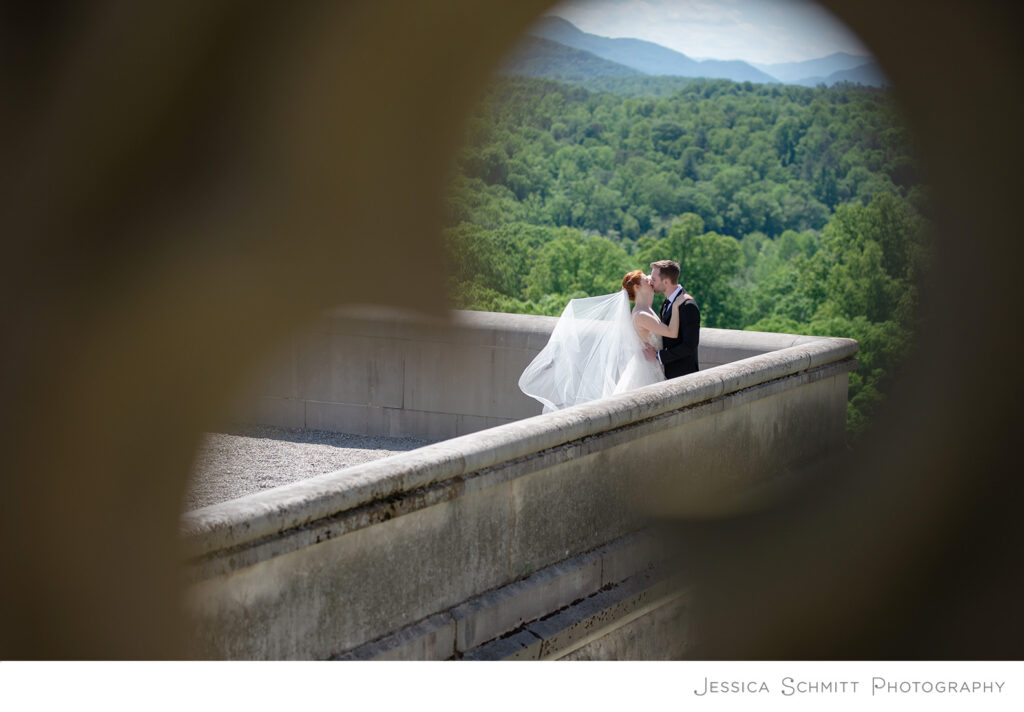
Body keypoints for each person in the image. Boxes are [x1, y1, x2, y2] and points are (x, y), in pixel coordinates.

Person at [518, 270, 683, 413]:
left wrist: (655, 286)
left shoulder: (644, 309)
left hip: (649, 363)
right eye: (645, 279)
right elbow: (671, 332)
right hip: (647, 367)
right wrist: (676, 306)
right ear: (637, 287)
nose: (649, 280)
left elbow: (647, 300)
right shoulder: (641, 315)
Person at [644, 259, 700, 378]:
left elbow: (689, 346)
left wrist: (658, 356)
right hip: (669, 373)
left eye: (654, 279)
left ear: (666, 282)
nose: (651, 282)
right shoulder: (667, 302)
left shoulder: (688, 306)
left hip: (683, 375)